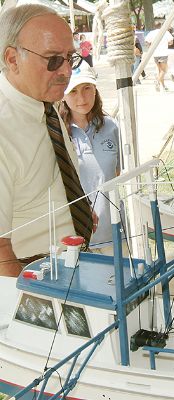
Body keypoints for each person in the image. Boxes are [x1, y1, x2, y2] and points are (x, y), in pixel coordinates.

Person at [0, 4, 93, 276]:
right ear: (13, 59)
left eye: (70, 58)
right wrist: (34, 308)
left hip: (68, 264)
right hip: (34, 278)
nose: (66, 71)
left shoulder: (41, 101)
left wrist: (75, 211)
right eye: (53, 60)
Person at [59, 61, 121, 254]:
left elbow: (118, 174)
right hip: (75, 239)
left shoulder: (112, 127)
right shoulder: (58, 134)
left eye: (87, 88)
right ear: (63, 95)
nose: (82, 98)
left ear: (95, 89)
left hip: (115, 232)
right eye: (73, 91)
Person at [145, 22, 173, 92]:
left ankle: (163, 86)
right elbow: (171, 42)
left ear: (154, 26)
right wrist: (166, 43)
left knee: (160, 71)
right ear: (161, 26)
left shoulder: (151, 33)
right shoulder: (165, 32)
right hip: (163, 53)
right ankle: (157, 81)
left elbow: (147, 42)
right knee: (164, 70)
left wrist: (150, 47)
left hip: (155, 54)